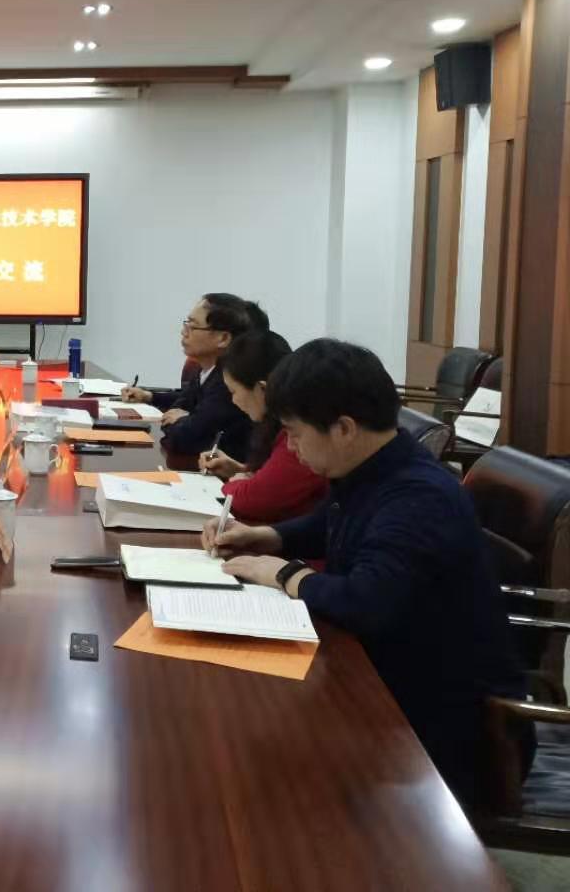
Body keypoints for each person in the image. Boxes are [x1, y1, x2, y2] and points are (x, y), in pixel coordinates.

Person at [203, 338, 524, 804]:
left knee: (256, 768)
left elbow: (366, 602)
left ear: (344, 428)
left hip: (443, 728)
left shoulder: (419, 497)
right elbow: (332, 524)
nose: (291, 447)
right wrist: (267, 536)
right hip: (385, 677)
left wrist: (285, 574)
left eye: (294, 433)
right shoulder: (374, 468)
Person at [198, 330, 326, 523]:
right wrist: (240, 470)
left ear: (262, 389)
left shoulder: (300, 433)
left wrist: (233, 483)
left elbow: (254, 499)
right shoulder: (277, 426)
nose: (233, 401)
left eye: (233, 391)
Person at [120, 293, 260, 460]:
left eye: (192, 327)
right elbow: (180, 406)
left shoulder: (228, 382)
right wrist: (152, 397)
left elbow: (184, 439)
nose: (183, 332)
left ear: (223, 338)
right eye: (186, 324)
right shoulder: (205, 369)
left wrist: (182, 421)